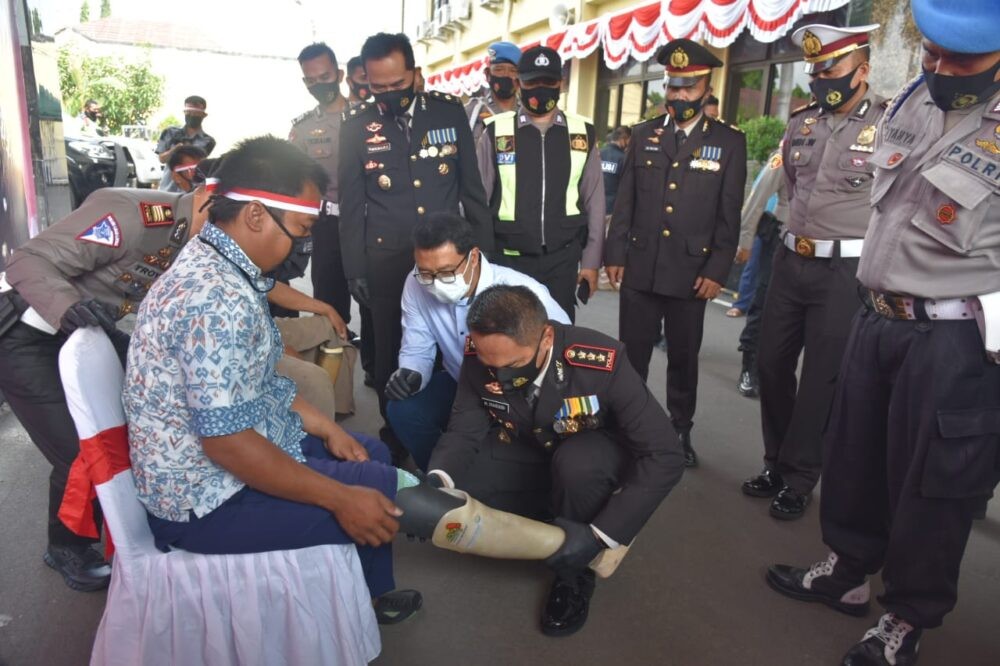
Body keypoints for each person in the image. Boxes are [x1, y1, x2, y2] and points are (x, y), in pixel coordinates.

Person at [766, 2, 1000, 662]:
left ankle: (905, 618)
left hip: (953, 339)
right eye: (932, 53)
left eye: (964, 59)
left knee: (933, 487)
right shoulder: (915, 102)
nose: (943, 68)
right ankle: (845, 572)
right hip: (877, 318)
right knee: (853, 456)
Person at [124, 135, 421, 623]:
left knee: (372, 455)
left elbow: (256, 384)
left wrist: (327, 428)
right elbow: (228, 446)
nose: (302, 244)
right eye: (301, 230)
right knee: (374, 487)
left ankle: (364, 597)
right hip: (207, 500)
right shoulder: (214, 299)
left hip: (227, 461)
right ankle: (354, 609)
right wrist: (340, 499)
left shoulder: (223, 264)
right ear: (257, 215)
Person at [426, 285, 684, 637]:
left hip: (590, 454)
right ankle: (554, 513)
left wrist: (599, 536)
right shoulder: (482, 349)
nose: (498, 377)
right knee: (468, 485)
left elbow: (665, 454)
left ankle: (574, 575)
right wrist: (437, 483)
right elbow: (464, 430)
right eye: (490, 365)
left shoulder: (601, 360)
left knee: (578, 467)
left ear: (546, 338)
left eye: (512, 365)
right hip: (528, 446)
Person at [741, 23, 885, 521]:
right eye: (815, 71)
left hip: (844, 270)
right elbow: (788, 184)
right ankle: (775, 461)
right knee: (770, 363)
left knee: (821, 377)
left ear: (862, 70)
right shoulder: (801, 122)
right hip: (789, 259)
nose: (821, 79)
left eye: (832, 69)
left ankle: (800, 477)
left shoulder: (889, 125)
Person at [338, 32, 493, 428]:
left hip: (448, 257)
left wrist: (485, 258)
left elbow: (472, 192)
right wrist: (355, 268)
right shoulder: (357, 126)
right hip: (386, 258)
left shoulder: (448, 112)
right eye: (378, 88)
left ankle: (455, 424)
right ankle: (396, 428)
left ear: (416, 74)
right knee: (391, 346)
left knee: (454, 340)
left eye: (397, 85)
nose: (388, 94)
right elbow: (353, 205)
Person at [605, 39, 746, 468]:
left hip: (691, 273)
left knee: (683, 359)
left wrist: (717, 268)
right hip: (642, 268)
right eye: (673, 87)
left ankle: (679, 430)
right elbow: (625, 201)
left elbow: (729, 214)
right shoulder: (645, 134)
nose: (679, 96)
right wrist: (615, 253)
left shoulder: (728, 142)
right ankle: (629, 429)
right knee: (633, 356)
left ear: (706, 87)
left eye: (688, 87)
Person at [384, 213, 569, 470]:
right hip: (460, 381)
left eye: (446, 273)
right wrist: (411, 373)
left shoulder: (521, 290)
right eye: (426, 273)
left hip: (518, 390)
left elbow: (564, 349)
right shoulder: (415, 284)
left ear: (472, 257)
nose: (435, 283)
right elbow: (417, 345)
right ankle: (442, 479)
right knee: (403, 410)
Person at [476, 45, 605, 321]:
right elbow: (478, 201)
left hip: (562, 260)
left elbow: (595, 201)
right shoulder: (496, 131)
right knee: (508, 334)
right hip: (507, 259)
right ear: (518, 82)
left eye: (549, 81)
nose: (540, 88)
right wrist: (479, 258)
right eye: (532, 82)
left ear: (561, 83)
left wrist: (591, 262)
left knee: (556, 335)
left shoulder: (582, 132)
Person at [289, 42, 354, 353]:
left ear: (339, 74)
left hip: (371, 222)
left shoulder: (369, 116)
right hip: (327, 224)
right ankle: (335, 364)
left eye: (324, 76)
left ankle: (374, 365)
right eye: (311, 80)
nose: (319, 85)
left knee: (377, 299)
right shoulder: (302, 128)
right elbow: (296, 180)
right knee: (328, 298)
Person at [733, 146, 788, 397]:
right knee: (764, 303)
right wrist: (745, 239)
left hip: (830, 248)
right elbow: (759, 196)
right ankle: (750, 369)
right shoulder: (791, 147)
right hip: (781, 237)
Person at [465, 41, 522, 144]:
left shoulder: (529, 113)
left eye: (513, 71)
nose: (506, 75)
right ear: (488, 74)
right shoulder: (471, 112)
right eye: (499, 69)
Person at [155, 96, 216, 192]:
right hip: (166, 190)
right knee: (158, 207)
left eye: (195, 112)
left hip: (189, 193)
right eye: (188, 112)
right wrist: (174, 150)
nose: (191, 115)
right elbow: (161, 159)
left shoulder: (208, 141)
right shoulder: (170, 132)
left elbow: (198, 165)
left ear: (203, 115)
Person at [600, 126, 630, 216]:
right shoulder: (623, 158)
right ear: (623, 138)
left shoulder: (599, 153)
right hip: (612, 208)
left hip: (594, 206)